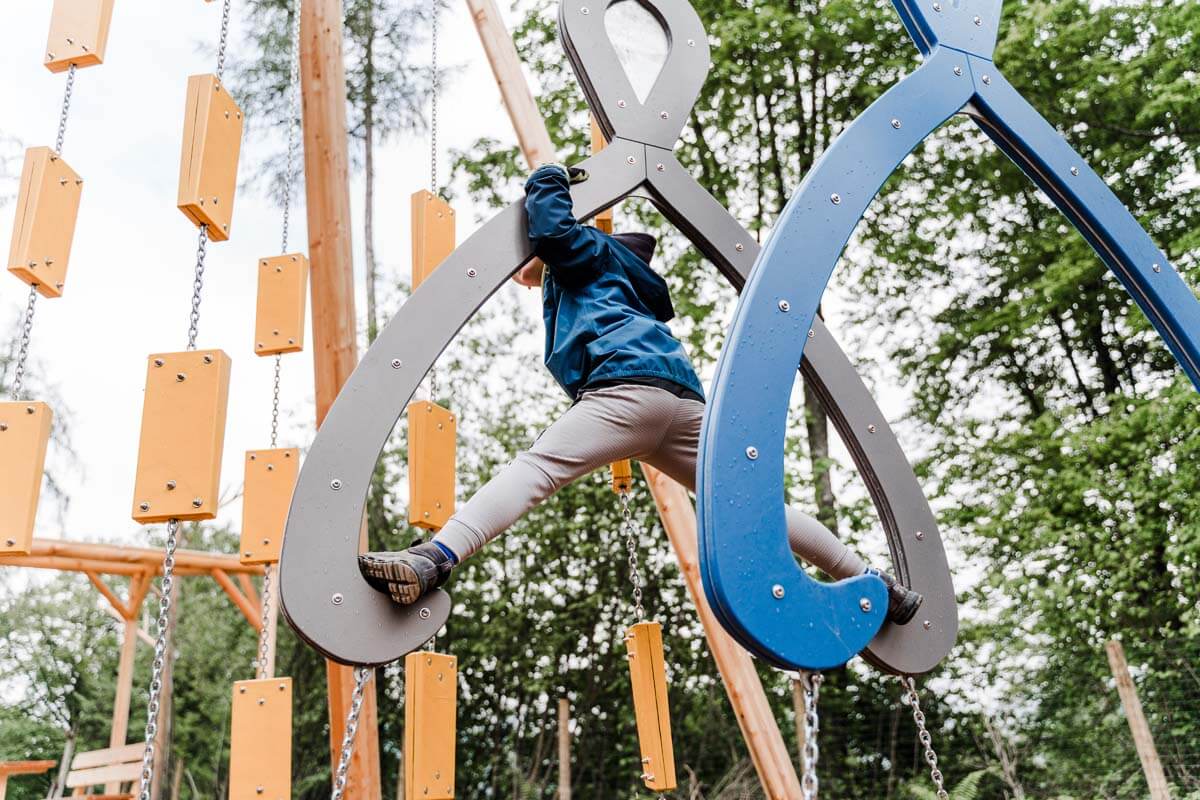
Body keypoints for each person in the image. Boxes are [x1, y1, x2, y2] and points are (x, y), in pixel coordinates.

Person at [359, 163, 922, 624]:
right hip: (684, 404)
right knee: (752, 507)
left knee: (536, 470)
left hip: (624, 391)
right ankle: (869, 580)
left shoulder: (589, 253)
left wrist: (547, 179)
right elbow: (533, 265)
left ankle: (435, 557)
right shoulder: (622, 281)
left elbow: (550, 233)